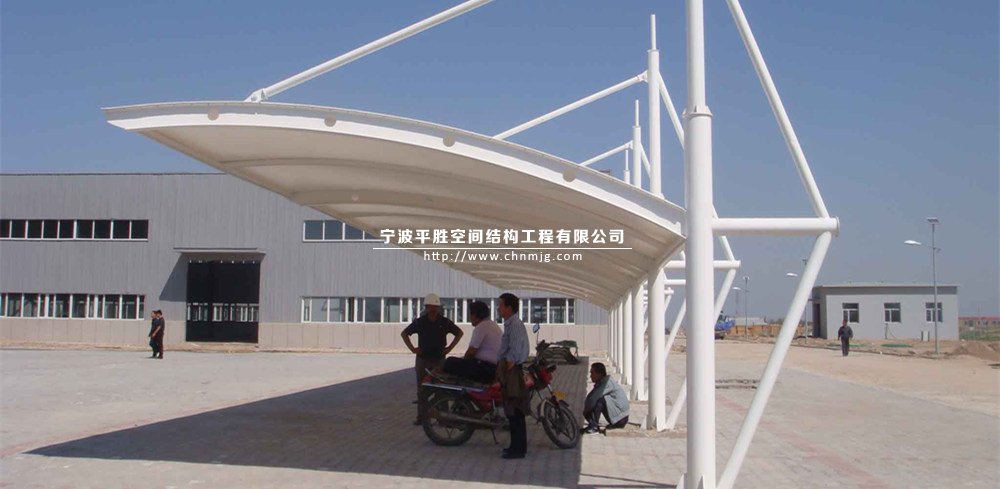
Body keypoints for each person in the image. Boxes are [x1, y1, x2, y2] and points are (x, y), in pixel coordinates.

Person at [401, 293, 463, 425]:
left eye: (436, 307)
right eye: (431, 306)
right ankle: (422, 417)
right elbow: (404, 334)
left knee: (441, 388)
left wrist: (449, 348)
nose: (434, 309)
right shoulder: (420, 322)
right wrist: (413, 349)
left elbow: (459, 333)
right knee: (422, 389)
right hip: (423, 359)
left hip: (439, 360)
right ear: (427, 307)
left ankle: (443, 417)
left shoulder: (445, 322)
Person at [496, 292, 530, 460]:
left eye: (501, 305)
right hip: (510, 369)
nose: (498, 308)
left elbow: (515, 349)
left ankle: (518, 449)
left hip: (513, 371)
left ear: (509, 308)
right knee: (511, 411)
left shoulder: (515, 324)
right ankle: (515, 446)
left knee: (515, 409)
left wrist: (507, 367)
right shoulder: (509, 324)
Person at [442, 300, 502, 383]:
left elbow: (470, 353)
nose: (470, 318)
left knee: (450, 362)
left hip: (485, 368)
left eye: (470, 314)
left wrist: (463, 362)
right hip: (494, 368)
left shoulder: (481, 327)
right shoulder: (493, 325)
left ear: (475, 315)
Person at [582, 362, 630, 434]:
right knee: (595, 401)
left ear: (599, 374)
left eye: (592, 373)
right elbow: (590, 396)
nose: (590, 376)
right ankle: (592, 425)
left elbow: (593, 399)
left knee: (600, 400)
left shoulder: (607, 383)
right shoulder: (601, 382)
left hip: (620, 419)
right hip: (619, 417)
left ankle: (594, 427)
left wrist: (586, 411)